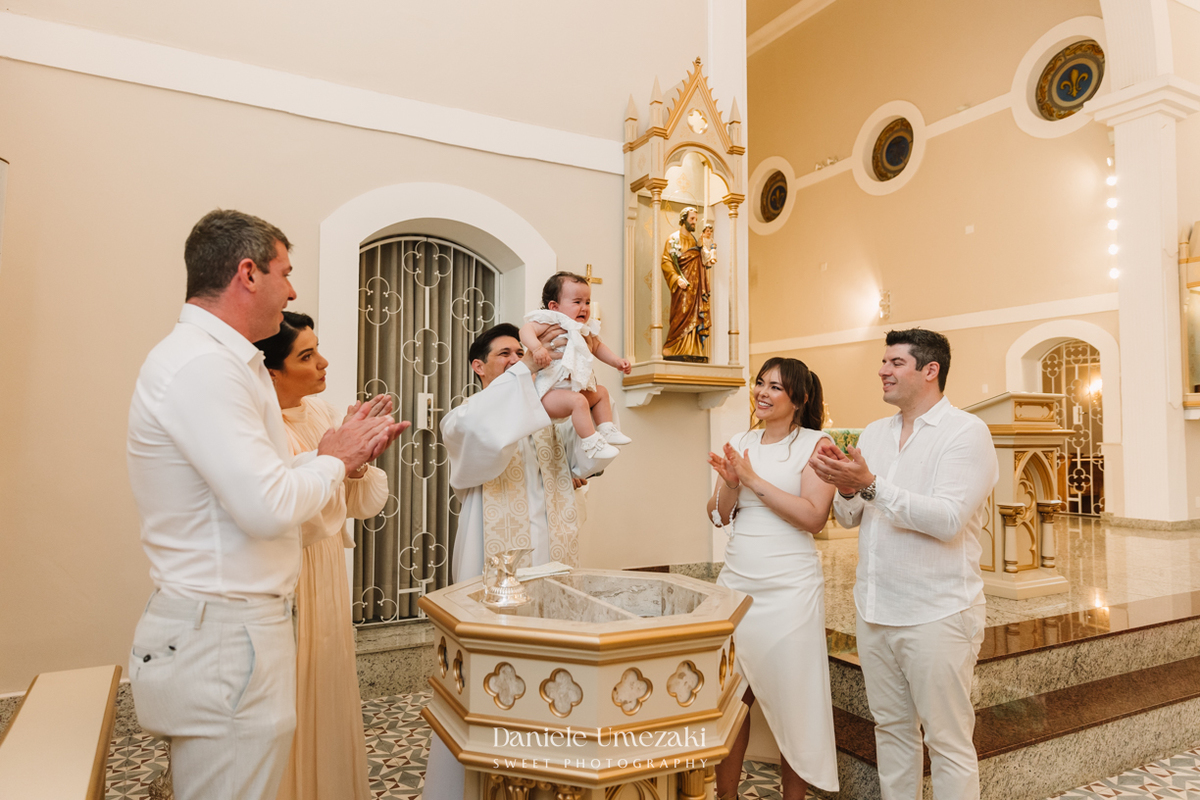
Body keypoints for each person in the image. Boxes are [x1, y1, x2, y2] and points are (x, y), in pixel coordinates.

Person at [126, 209, 407, 800]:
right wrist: (335, 459)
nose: (293, 288)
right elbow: (267, 506)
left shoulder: (225, 361)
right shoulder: (204, 365)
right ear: (247, 273)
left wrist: (335, 454)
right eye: (286, 271)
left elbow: (265, 480)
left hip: (234, 628)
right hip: (224, 633)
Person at [423, 322, 616, 800]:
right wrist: (529, 366)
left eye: (519, 352)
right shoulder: (465, 417)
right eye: (504, 354)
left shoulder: (549, 417)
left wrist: (595, 417)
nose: (514, 360)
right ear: (478, 366)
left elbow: (589, 464)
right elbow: (485, 436)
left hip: (554, 561)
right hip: (494, 567)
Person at [809, 328, 998, 800]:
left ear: (929, 371)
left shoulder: (966, 433)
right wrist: (845, 484)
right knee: (891, 731)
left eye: (895, 363)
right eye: (884, 362)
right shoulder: (875, 432)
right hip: (875, 610)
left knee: (948, 742)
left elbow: (948, 519)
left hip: (938, 611)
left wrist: (869, 483)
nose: (882, 370)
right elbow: (851, 517)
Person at [255, 311, 389, 800]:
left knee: (327, 683)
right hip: (290, 573)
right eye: (306, 356)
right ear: (271, 371)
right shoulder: (257, 426)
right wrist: (335, 461)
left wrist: (357, 465)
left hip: (327, 566)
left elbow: (358, 505)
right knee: (292, 691)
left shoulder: (322, 413)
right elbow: (282, 509)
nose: (322, 363)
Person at [706, 358, 839, 800]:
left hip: (790, 591)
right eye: (760, 383)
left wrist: (752, 480)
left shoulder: (818, 445)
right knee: (731, 703)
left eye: (775, 387)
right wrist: (729, 483)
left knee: (793, 705)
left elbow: (813, 517)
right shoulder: (742, 441)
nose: (762, 392)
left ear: (798, 399)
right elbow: (718, 514)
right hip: (738, 585)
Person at [519, 271, 632, 461]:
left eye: (587, 302)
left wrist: (617, 362)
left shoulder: (584, 329)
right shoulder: (549, 321)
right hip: (549, 394)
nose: (584, 308)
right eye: (577, 302)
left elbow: (598, 346)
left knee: (601, 393)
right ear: (554, 306)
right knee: (579, 402)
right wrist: (537, 348)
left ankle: (606, 430)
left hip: (573, 390)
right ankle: (591, 445)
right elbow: (526, 330)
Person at [660, 206, 711, 362]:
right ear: (684, 220)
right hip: (682, 287)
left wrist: (704, 247)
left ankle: (693, 348)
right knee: (680, 314)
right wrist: (677, 279)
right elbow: (666, 261)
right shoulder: (673, 239)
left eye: (696, 219)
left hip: (696, 287)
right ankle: (674, 346)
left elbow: (704, 261)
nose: (695, 222)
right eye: (692, 219)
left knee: (695, 315)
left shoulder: (695, 240)